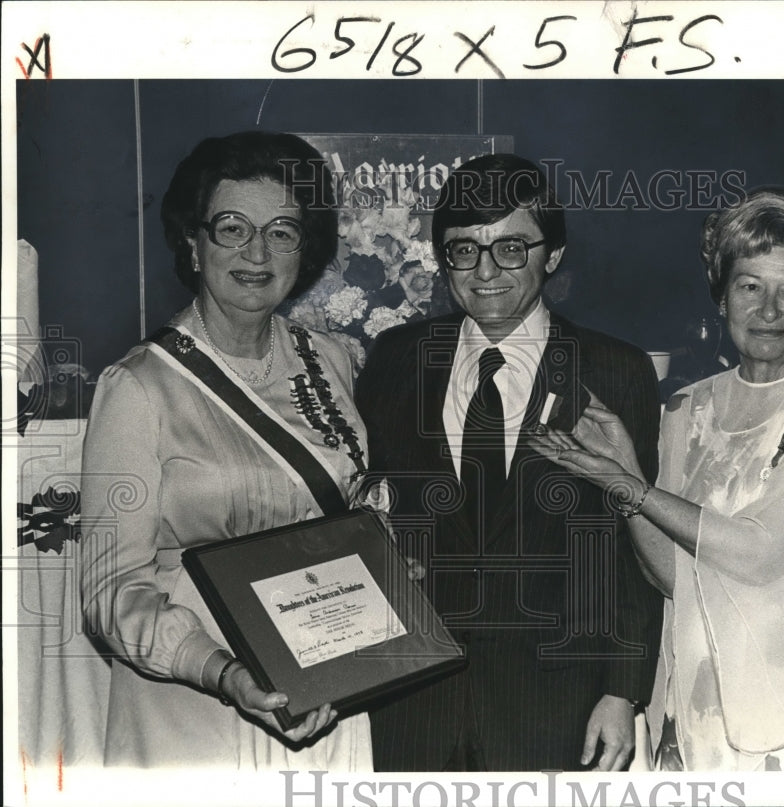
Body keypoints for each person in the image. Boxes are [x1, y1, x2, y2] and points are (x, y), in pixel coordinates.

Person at [533, 187, 784, 771]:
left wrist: (629, 486)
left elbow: (763, 552)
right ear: (721, 297)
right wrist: (630, 472)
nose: (769, 312)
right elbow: (672, 576)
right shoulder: (687, 408)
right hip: (700, 683)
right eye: (750, 287)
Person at [355, 154, 663, 772]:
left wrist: (624, 690)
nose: (486, 271)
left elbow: (632, 545)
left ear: (553, 254)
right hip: (413, 702)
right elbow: (367, 506)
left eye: (511, 248)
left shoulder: (613, 370)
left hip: (558, 701)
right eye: (464, 250)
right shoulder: (395, 358)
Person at [80, 131, 372, 768]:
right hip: (197, 707)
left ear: (306, 248)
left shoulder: (332, 360)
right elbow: (110, 593)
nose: (258, 252)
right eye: (232, 227)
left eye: (282, 232)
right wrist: (220, 671)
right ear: (193, 241)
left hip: (327, 689)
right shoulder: (137, 387)